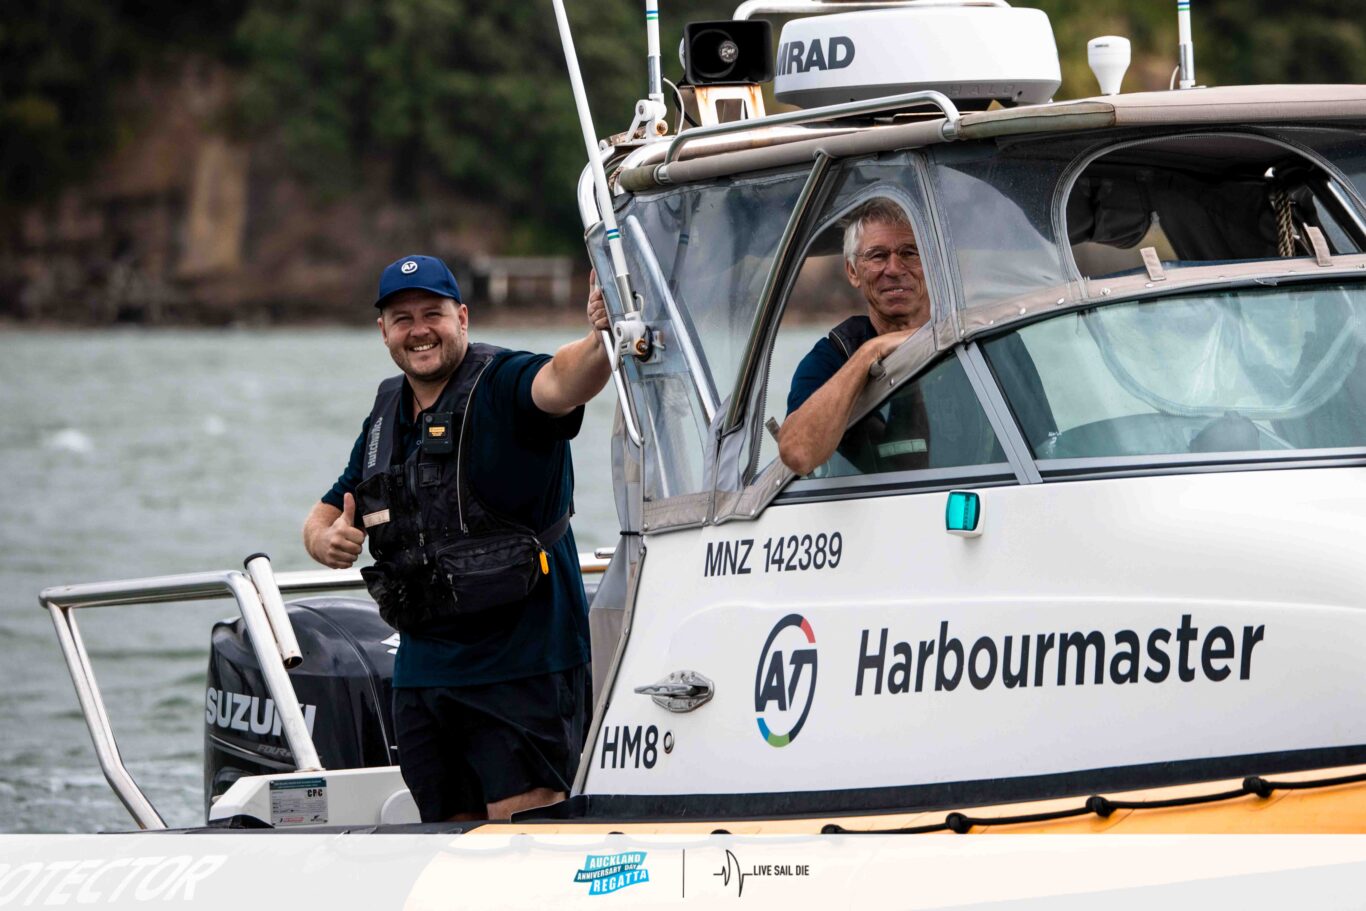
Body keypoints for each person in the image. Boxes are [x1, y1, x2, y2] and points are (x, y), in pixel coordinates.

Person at [302, 254, 612, 823]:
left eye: (433, 314)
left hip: (521, 667)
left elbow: (563, 382)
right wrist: (325, 540)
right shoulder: (386, 416)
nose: (418, 330)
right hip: (423, 678)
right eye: (402, 319)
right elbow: (328, 510)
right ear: (383, 331)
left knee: (525, 832)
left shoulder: (504, 382)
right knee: (445, 837)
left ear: (462, 318)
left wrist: (600, 340)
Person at [778, 199, 931, 476]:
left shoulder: (976, 341)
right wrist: (869, 353)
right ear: (852, 272)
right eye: (878, 256)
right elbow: (798, 453)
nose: (894, 268)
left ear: (932, 264)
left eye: (910, 253)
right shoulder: (833, 357)